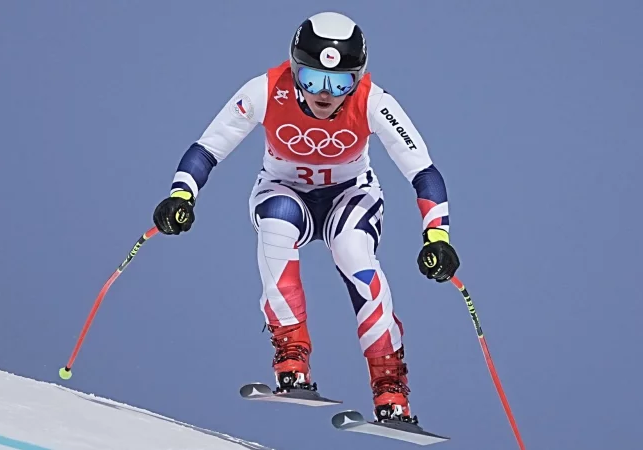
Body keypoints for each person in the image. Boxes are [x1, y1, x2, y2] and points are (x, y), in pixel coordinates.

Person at [152, 11, 460, 424]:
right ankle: (291, 356)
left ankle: (390, 386)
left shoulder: (373, 102)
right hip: (284, 190)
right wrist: (181, 194)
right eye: (313, 79)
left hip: (350, 195)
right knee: (277, 224)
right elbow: (208, 148)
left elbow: (422, 170)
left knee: (355, 254)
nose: (326, 94)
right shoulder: (265, 89)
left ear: (359, 77)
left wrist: (437, 237)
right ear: (295, 69)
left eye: (340, 82)